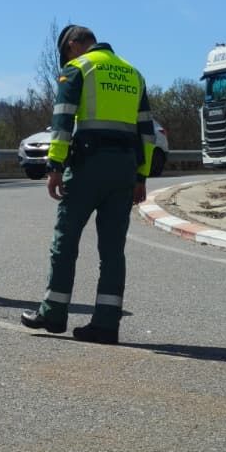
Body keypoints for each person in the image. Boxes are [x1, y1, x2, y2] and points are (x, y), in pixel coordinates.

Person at [21, 25, 155, 344]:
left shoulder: (78, 68)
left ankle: (53, 312)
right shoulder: (133, 73)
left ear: (73, 45)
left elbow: (63, 120)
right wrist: (141, 176)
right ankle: (107, 323)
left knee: (65, 241)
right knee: (112, 250)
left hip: (87, 166)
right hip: (124, 169)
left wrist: (54, 166)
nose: (67, 57)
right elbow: (146, 132)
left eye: (66, 52)